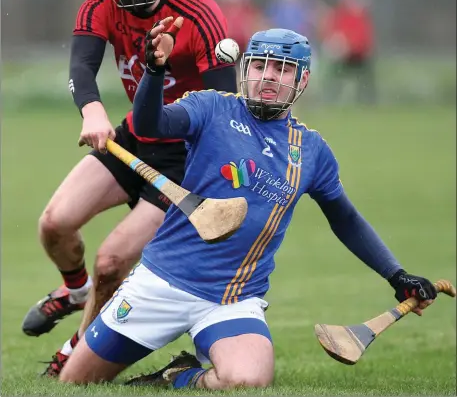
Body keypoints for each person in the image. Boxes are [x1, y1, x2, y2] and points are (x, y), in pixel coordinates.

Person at [58, 20, 437, 389]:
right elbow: (150, 124)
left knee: (247, 378)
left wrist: (396, 275)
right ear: (243, 68)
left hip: (233, 298)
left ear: (301, 81)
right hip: (162, 282)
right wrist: (154, 71)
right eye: (259, 65)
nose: (269, 76)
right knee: (76, 382)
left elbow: (346, 219)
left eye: (283, 69)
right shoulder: (211, 109)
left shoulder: (312, 150)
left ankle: (178, 376)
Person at [21, 0, 237, 376]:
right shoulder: (99, 8)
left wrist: (214, 171)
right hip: (134, 138)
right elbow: (81, 67)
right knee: (54, 224)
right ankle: (75, 291)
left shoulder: (198, 13)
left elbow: (224, 103)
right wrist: (92, 111)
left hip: (187, 158)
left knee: (112, 262)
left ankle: (73, 353)